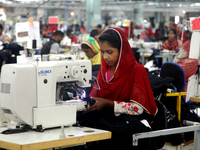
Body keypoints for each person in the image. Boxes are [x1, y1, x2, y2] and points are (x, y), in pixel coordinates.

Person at [79, 28, 158, 149]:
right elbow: (97, 95)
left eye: (109, 52)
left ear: (122, 50)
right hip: (109, 118)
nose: (105, 57)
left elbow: (138, 108)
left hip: (128, 121)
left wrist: (108, 104)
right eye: (102, 52)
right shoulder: (104, 69)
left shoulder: (137, 70)